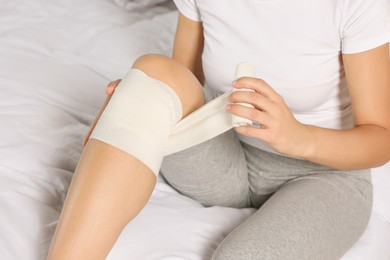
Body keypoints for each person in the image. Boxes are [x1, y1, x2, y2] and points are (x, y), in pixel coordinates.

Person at [47, 0, 390, 259]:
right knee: (153, 70)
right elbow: (184, 78)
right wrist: (138, 99)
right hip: (225, 153)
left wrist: (298, 137)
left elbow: (381, 137)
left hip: (326, 176)